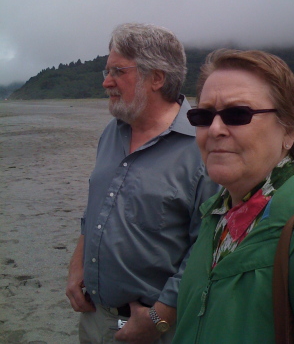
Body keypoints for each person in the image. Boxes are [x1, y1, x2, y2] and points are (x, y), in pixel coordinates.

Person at [66, 23, 218, 344]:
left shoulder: (204, 147)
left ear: (157, 78)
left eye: (117, 71)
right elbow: (96, 209)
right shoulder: (112, 131)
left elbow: (207, 248)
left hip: (153, 327)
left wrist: (159, 317)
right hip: (93, 316)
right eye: (106, 71)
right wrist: (76, 266)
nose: (107, 82)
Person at [172, 49, 294, 344]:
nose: (215, 129)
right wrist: (157, 323)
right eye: (203, 115)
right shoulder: (216, 218)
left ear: (289, 130)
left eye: (238, 114)